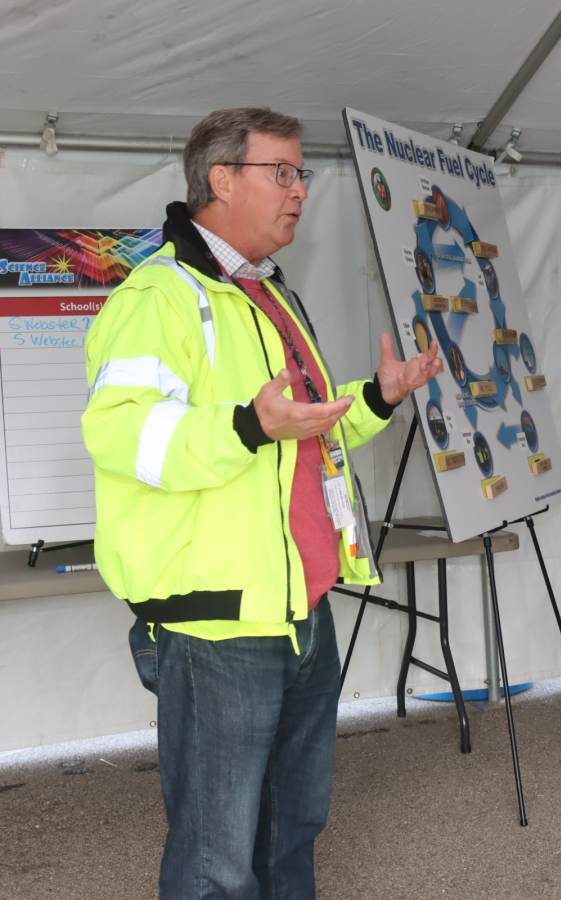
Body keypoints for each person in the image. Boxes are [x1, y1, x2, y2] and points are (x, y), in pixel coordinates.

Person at [82, 108, 442, 899]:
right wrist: (248, 424)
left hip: (301, 607)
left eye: (301, 174)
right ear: (221, 180)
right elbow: (124, 437)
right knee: (218, 856)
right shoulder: (158, 298)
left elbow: (296, 428)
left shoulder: (266, 292)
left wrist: (374, 399)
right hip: (220, 624)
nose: (300, 192)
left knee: (291, 832)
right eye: (282, 172)